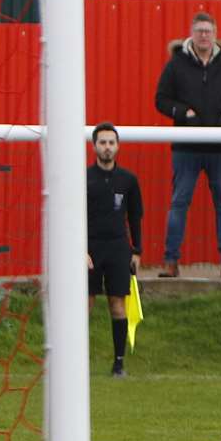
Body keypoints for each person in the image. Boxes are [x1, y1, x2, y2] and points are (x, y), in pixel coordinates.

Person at [154, 11, 221, 279]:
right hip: (186, 147)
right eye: (199, 31)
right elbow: (161, 99)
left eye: (208, 31)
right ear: (192, 33)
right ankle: (171, 261)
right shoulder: (176, 64)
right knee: (179, 203)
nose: (204, 36)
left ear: (215, 33)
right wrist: (182, 112)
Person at [87, 123, 143, 378]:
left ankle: (118, 363)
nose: (107, 147)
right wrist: (80, 249)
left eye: (111, 143)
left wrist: (136, 250)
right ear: (94, 146)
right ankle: (77, 362)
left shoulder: (128, 180)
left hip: (118, 248)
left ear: (117, 146)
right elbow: (74, 216)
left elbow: (135, 217)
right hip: (89, 250)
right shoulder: (83, 178)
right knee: (84, 305)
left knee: (117, 305)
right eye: (102, 142)